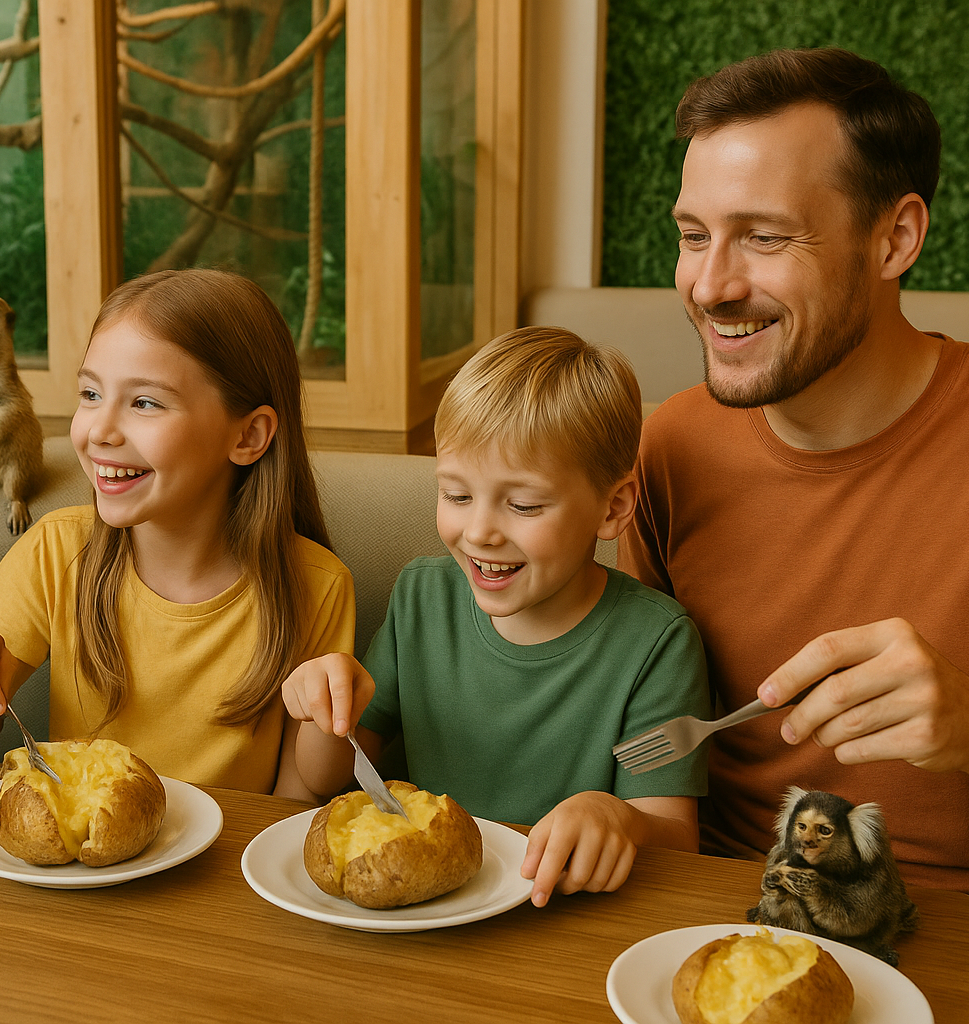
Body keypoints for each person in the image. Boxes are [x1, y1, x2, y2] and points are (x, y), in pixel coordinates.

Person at [621, 47, 969, 1019]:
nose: (709, 284)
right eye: (694, 234)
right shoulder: (668, 447)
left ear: (895, 237)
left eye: (764, 238)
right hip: (735, 915)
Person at [282, 327, 710, 906]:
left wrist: (620, 819)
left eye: (523, 505)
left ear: (613, 508)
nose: (479, 531)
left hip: (556, 917)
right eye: (457, 496)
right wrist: (319, 707)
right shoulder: (421, 600)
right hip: (417, 907)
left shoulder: (657, 643)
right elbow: (325, 777)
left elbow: (677, 839)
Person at [0, 269, 356, 798]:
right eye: (90, 393)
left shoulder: (317, 583)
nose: (99, 430)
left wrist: (328, 715)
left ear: (248, 435)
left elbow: (303, 797)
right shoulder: (57, 550)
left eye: (145, 402)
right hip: (81, 866)